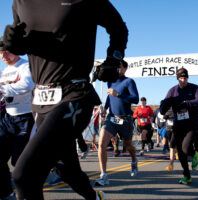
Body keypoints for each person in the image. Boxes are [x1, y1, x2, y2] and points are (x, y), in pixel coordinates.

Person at [2, 0, 129, 199]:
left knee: (25, 175)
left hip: (74, 93)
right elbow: (26, 42)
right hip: (40, 99)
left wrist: (114, 59)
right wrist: (13, 43)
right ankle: (96, 197)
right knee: (65, 169)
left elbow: (118, 27)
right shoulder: (20, 1)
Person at [0, 39, 35, 200]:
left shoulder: (25, 65)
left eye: (6, 51)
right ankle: (6, 193)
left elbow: (27, 84)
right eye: (0, 52)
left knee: (18, 162)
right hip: (8, 119)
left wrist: (2, 89)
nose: (3, 55)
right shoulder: (4, 71)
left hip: (26, 118)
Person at [96, 60, 139, 186]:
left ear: (125, 68)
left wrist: (119, 94)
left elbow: (135, 98)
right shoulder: (110, 81)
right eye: (116, 67)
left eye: (119, 67)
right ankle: (103, 175)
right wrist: (105, 108)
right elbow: (110, 96)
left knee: (128, 145)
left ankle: (134, 160)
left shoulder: (129, 81)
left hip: (125, 119)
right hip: (111, 118)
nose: (117, 69)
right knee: (101, 143)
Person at [160, 68, 198, 184]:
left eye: (185, 78)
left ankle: (194, 154)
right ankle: (186, 175)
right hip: (178, 124)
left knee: (185, 148)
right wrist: (163, 107)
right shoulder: (172, 91)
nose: (183, 80)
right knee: (180, 152)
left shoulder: (194, 88)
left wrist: (187, 103)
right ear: (178, 78)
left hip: (191, 124)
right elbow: (164, 105)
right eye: (181, 78)